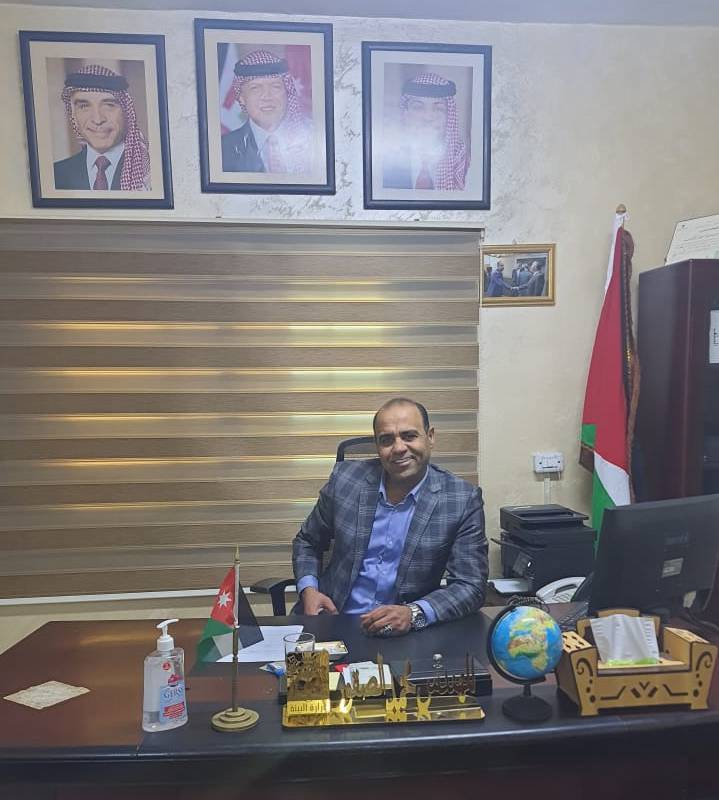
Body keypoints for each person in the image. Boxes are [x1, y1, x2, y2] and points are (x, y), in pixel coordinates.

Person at [292, 397, 488, 636]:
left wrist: (414, 613)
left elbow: (470, 585)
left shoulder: (461, 499)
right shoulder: (345, 480)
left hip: (402, 633)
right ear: (377, 445)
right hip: (332, 620)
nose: (398, 448)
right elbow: (307, 541)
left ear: (430, 437)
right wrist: (309, 590)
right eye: (386, 440)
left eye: (409, 436)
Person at [54, 64, 150, 191]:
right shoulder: (56, 174)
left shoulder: (149, 172)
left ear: (126, 111)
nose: (97, 120)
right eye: (84, 106)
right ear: (73, 115)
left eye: (109, 105)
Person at [221, 49, 313, 174]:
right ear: (242, 98)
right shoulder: (224, 149)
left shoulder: (312, 141)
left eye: (275, 87)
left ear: (287, 92)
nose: (267, 96)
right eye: (255, 88)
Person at [383, 72, 469, 191]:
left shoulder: (463, 162)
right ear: (406, 114)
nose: (428, 117)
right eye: (418, 107)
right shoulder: (385, 160)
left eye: (438, 109)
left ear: (449, 116)